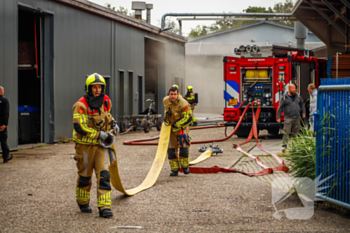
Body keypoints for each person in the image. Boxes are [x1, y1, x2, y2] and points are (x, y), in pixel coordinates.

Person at [72, 73, 119, 218]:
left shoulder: (105, 101)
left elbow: (107, 115)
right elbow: (80, 127)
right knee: (85, 177)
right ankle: (83, 202)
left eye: (100, 87)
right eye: (94, 87)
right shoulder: (80, 105)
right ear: (88, 88)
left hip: (101, 147)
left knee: (104, 175)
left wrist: (114, 124)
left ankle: (105, 207)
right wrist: (99, 134)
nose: (97, 90)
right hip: (84, 147)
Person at [163, 86, 193, 176]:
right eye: (171, 94)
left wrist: (176, 125)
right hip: (171, 130)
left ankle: (185, 167)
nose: (173, 96)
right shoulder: (165, 101)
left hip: (182, 129)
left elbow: (189, 118)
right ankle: (174, 170)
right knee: (171, 150)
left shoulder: (184, 104)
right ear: (168, 94)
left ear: (178, 94)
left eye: (175, 94)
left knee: (184, 149)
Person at [277, 83, 306, 148]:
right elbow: (280, 107)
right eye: (293, 89)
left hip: (297, 118)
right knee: (286, 132)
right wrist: (278, 116)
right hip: (288, 118)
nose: (294, 90)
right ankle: (284, 145)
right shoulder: (284, 97)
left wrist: (303, 112)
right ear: (289, 89)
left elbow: (302, 105)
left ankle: (294, 146)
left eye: (295, 88)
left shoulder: (298, 96)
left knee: (295, 133)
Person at [0, 86, 13, 163]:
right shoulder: (4, 101)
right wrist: (5, 124)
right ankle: (6, 156)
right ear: (1, 92)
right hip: (1, 125)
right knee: (3, 141)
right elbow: (6, 113)